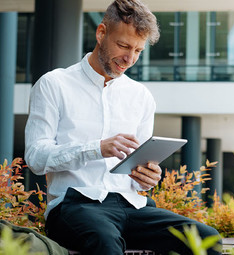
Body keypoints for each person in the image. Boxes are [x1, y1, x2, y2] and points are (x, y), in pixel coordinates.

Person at [25, 0, 221, 254]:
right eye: (123, 46)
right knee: (105, 240)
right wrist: (96, 148)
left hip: (133, 206)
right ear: (101, 33)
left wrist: (147, 178)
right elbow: (36, 157)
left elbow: (139, 172)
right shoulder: (54, 84)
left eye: (138, 51)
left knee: (206, 238)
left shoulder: (140, 96)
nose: (129, 59)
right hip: (75, 205)